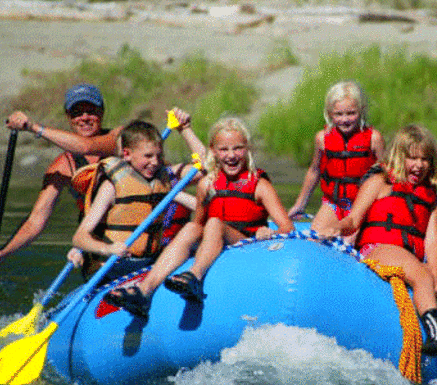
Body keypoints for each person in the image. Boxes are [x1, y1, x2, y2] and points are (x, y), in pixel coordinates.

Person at [103, 116, 294, 319]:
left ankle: (195, 275)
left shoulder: (259, 185)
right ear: (213, 151)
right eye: (224, 149)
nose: (231, 155)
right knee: (191, 228)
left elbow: (287, 227)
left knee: (214, 223)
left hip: (246, 246)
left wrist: (271, 232)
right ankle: (144, 291)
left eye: (237, 148)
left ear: (247, 150)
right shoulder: (207, 184)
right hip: (217, 246)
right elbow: (198, 226)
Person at [322, 124, 437, 356]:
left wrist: (435, 276)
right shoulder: (380, 182)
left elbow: (432, 241)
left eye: (424, 159)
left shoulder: (429, 196)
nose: (419, 164)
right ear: (398, 156)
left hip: (407, 257)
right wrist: (336, 227)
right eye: (412, 157)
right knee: (421, 274)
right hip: (377, 248)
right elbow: (353, 219)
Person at [0, 84, 119, 273]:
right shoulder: (63, 166)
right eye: (77, 113)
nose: (85, 118)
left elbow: (86, 147)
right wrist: (2, 253)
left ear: (102, 113)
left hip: (135, 233)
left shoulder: (120, 138)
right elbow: (35, 221)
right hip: (99, 247)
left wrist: (33, 127)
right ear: (69, 118)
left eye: (91, 111)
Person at [71, 120, 200, 284]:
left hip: (148, 262)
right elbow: (79, 237)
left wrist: (185, 129)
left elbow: (205, 167)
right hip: (114, 267)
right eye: (148, 156)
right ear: (127, 154)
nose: (155, 162)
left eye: (159, 156)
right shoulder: (111, 186)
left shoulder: (163, 178)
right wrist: (108, 248)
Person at [287, 81, 385, 240]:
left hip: (362, 207)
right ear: (329, 113)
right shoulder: (322, 138)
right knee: (315, 240)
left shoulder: (374, 138)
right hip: (334, 204)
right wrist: (300, 204)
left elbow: (386, 177)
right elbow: (314, 171)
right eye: (339, 114)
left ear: (361, 111)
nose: (345, 119)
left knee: (347, 245)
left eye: (351, 113)